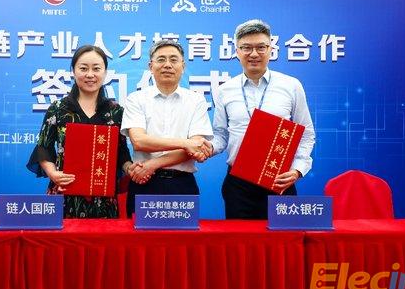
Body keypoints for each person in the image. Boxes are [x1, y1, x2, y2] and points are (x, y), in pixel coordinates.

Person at [211, 19, 316, 219]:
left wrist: (297, 170)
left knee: (284, 238)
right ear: (237, 51)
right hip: (238, 185)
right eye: (246, 48)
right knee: (240, 238)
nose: (254, 54)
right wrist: (204, 148)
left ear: (270, 49)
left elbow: (307, 133)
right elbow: (221, 135)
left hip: (279, 179)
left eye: (261, 47)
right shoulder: (224, 90)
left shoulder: (291, 86)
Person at [27, 45, 137, 218]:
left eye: (96, 69)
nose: (90, 74)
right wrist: (53, 174)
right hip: (64, 192)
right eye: (83, 68)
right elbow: (43, 147)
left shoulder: (116, 111)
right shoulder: (58, 108)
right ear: (73, 71)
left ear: (105, 73)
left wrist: (131, 168)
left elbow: (121, 152)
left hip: (104, 200)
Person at [121, 39, 213, 216]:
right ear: (151, 66)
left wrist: (152, 165)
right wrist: (185, 143)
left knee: (183, 234)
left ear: (183, 66)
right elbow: (139, 141)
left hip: (181, 184)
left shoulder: (196, 100)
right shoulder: (136, 99)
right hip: (144, 184)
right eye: (161, 59)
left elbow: (197, 147)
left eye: (173, 59)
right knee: (138, 234)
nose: (167, 65)